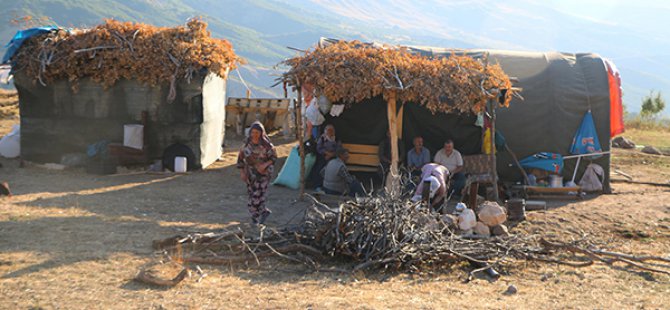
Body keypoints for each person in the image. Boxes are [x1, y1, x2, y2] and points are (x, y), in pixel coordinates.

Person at [237, 121, 277, 224]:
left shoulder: (267, 145)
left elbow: (273, 158)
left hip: (264, 173)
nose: (255, 135)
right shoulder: (246, 145)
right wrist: (242, 172)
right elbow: (240, 159)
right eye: (253, 132)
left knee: (258, 195)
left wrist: (264, 165)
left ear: (261, 133)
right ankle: (263, 212)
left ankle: (255, 217)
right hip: (250, 173)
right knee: (252, 194)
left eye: (257, 132)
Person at [308, 124, 341, 188]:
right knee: (319, 167)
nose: (330, 133)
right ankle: (317, 184)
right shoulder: (322, 138)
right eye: (328, 131)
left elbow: (339, 149)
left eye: (331, 131)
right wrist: (326, 153)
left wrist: (332, 155)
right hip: (323, 156)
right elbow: (319, 148)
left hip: (333, 156)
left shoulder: (336, 139)